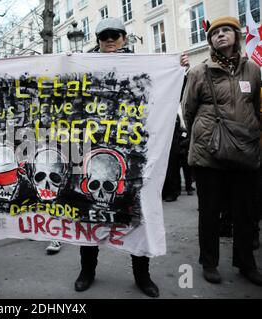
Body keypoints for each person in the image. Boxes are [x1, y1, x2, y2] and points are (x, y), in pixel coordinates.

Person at [74, 17, 190, 298]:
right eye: (104, 36)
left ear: (125, 38)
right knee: (90, 214)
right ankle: (87, 270)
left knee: (138, 217)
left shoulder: (144, 65)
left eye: (115, 35)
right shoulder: (82, 68)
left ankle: (142, 275)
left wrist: (179, 72)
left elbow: (167, 96)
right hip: (95, 154)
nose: (109, 40)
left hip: (134, 153)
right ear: (98, 41)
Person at [183, 16, 262, 286]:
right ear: (210, 41)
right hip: (209, 153)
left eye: (226, 30)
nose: (220, 35)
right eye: (215, 33)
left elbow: (256, 106)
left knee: (245, 212)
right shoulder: (198, 72)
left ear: (236, 36)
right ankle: (209, 262)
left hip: (245, 151)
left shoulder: (252, 70)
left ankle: (246, 263)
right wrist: (206, 136)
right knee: (209, 212)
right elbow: (188, 111)